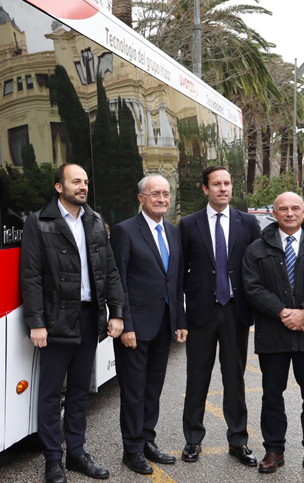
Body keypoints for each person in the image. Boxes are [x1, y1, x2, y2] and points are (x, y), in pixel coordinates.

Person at [19, 163, 125, 483]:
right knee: (51, 393)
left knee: (80, 391)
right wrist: (36, 322)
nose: (83, 186)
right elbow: (31, 277)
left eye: (86, 182)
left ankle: (77, 453)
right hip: (55, 320)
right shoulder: (39, 222)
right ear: (59, 187)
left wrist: (117, 312)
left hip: (90, 317)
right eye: (76, 181)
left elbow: (109, 271)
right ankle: (53, 459)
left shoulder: (95, 221)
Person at [242, 192, 304, 481]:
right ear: (274, 213)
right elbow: (252, 286)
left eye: (295, 208)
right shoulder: (257, 248)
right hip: (273, 334)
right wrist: (283, 312)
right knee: (272, 396)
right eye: (283, 208)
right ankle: (274, 451)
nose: (289, 213)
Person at [178, 165, 261, 467]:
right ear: (205, 189)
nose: (223, 188)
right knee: (197, 377)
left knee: (234, 379)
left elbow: (257, 266)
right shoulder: (189, 224)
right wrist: (180, 317)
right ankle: (192, 439)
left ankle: (238, 441)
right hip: (201, 311)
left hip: (235, 311)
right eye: (216, 184)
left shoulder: (247, 222)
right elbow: (180, 271)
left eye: (227, 183)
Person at [109, 175, 187, 474]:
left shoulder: (173, 231)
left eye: (166, 194)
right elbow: (118, 282)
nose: (162, 199)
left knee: (153, 388)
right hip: (135, 327)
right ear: (141, 198)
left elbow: (175, 280)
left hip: (164, 324)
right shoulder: (124, 231)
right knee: (134, 391)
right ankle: (132, 450)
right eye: (155, 194)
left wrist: (180, 320)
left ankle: (147, 441)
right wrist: (125, 324)